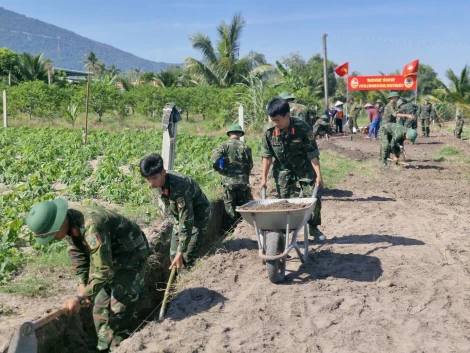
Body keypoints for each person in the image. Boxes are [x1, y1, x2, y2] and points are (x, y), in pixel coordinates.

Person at [26, 199, 149, 352]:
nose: (54, 240)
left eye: (53, 236)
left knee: (120, 309)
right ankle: (104, 348)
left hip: (131, 255)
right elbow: (78, 256)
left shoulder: (92, 225)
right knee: (100, 309)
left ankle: (120, 346)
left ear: (60, 223)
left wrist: (80, 298)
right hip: (108, 257)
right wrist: (82, 289)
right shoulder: (69, 225)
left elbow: (103, 270)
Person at [260, 97, 325, 241]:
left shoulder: (303, 128)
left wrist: (319, 175)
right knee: (283, 202)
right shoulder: (269, 131)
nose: (274, 123)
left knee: (313, 197)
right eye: (272, 120)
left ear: (287, 116)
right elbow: (266, 156)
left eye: (277, 120)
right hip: (282, 168)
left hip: (303, 166)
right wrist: (263, 178)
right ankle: (283, 233)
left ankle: (313, 227)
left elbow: (312, 153)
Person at [140, 154, 211, 270]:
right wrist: (177, 252)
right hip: (180, 218)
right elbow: (178, 215)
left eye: (153, 179)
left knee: (186, 257)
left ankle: (188, 281)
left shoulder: (179, 186)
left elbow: (187, 219)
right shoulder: (160, 182)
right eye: (148, 179)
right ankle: (179, 277)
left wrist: (181, 251)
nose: (151, 184)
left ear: (163, 172)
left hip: (198, 217)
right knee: (173, 256)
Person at [210, 124, 253, 225]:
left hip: (228, 181)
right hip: (242, 181)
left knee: (230, 205)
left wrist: (220, 170)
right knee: (243, 205)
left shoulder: (223, 146)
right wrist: (245, 175)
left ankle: (233, 228)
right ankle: (244, 225)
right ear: (239, 134)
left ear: (229, 134)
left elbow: (213, 160)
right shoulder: (246, 147)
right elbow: (250, 165)